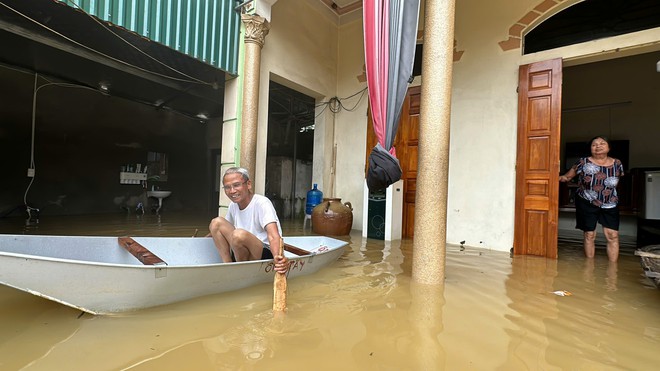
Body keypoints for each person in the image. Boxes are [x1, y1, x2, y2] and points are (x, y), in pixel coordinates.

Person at [209, 167, 288, 273]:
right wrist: (199, 239)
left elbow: (273, 235)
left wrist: (279, 258)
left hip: (264, 252)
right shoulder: (233, 205)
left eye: (236, 185)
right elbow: (223, 229)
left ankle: (242, 270)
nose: (232, 191)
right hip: (241, 250)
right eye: (227, 187)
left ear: (248, 184)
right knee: (216, 222)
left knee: (238, 235)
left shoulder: (262, 203)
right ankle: (228, 266)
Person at [559, 136, 624, 262]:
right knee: (589, 234)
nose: (598, 146)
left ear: (609, 147)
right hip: (586, 201)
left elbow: (616, 182)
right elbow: (567, 177)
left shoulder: (617, 163)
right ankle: (589, 268)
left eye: (602, 143)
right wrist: (553, 177)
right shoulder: (582, 162)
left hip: (610, 202)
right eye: (594, 144)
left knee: (613, 235)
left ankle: (613, 269)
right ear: (590, 148)